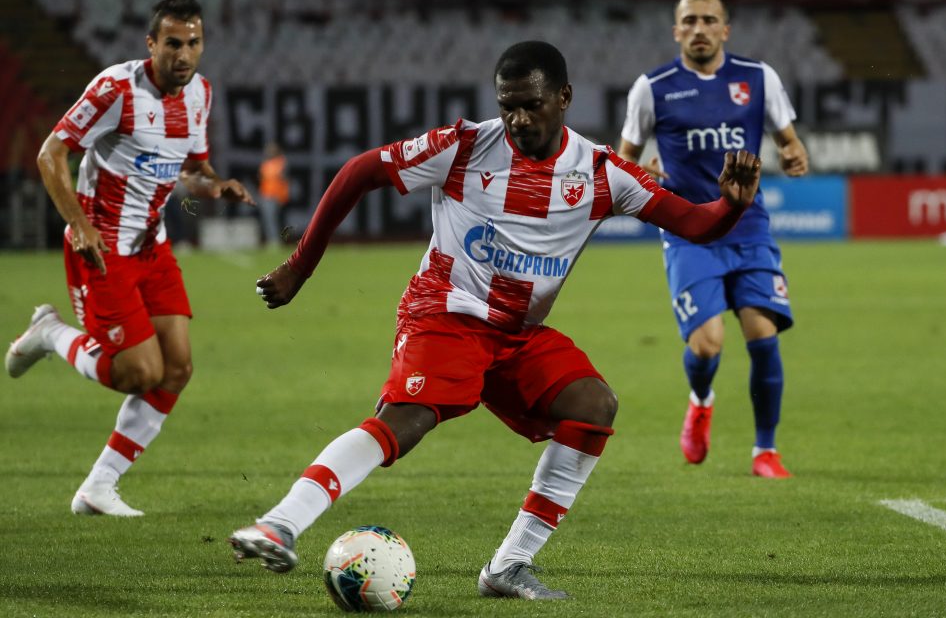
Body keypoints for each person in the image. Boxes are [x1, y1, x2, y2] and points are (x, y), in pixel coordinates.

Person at [229, 41, 762, 599]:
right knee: (406, 421)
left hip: (516, 334)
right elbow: (361, 171)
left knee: (592, 405)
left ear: (564, 98)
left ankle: (508, 567)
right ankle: (281, 523)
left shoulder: (603, 174)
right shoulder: (463, 147)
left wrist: (730, 206)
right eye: (508, 104)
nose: (518, 118)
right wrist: (300, 265)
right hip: (447, 313)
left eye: (531, 105)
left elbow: (695, 224)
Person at [4, 0, 254, 516]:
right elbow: (51, 152)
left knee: (178, 369)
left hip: (152, 247)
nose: (184, 55)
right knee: (138, 373)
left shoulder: (200, 95)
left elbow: (190, 169)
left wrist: (214, 187)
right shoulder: (116, 88)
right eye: (173, 44)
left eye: (193, 43)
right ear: (151, 44)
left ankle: (98, 487)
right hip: (101, 250)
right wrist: (78, 223)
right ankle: (49, 332)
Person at [618, 0, 809, 478]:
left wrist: (793, 154)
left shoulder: (758, 78)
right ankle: (701, 398)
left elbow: (789, 140)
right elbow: (622, 160)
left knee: (762, 334)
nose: (699, 28)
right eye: (690, 21)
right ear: (676, 30)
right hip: (688, 232)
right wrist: (643, 173)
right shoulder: (652, 87)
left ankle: (765, 451)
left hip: (749, 228)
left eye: (709, 20)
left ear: (726, 29)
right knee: (707, 345)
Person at [258, 140, 289, 245]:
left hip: (277, 196)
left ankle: (276, 240)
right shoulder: (266, 164)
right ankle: (272, 239)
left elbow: (284, 180)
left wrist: (283, 195)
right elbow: (262, 179)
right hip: (266, 195)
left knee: (274, 219)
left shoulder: (281, 162)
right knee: (268, 219)